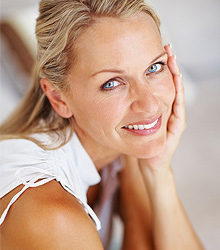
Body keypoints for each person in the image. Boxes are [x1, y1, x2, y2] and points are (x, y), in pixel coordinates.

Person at [0, 0, 204, 249]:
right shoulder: (51, 216)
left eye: (154, 67)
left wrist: (158, 171)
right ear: (58, 98)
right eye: (112, 83)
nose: (149, 104)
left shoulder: (112, 141)